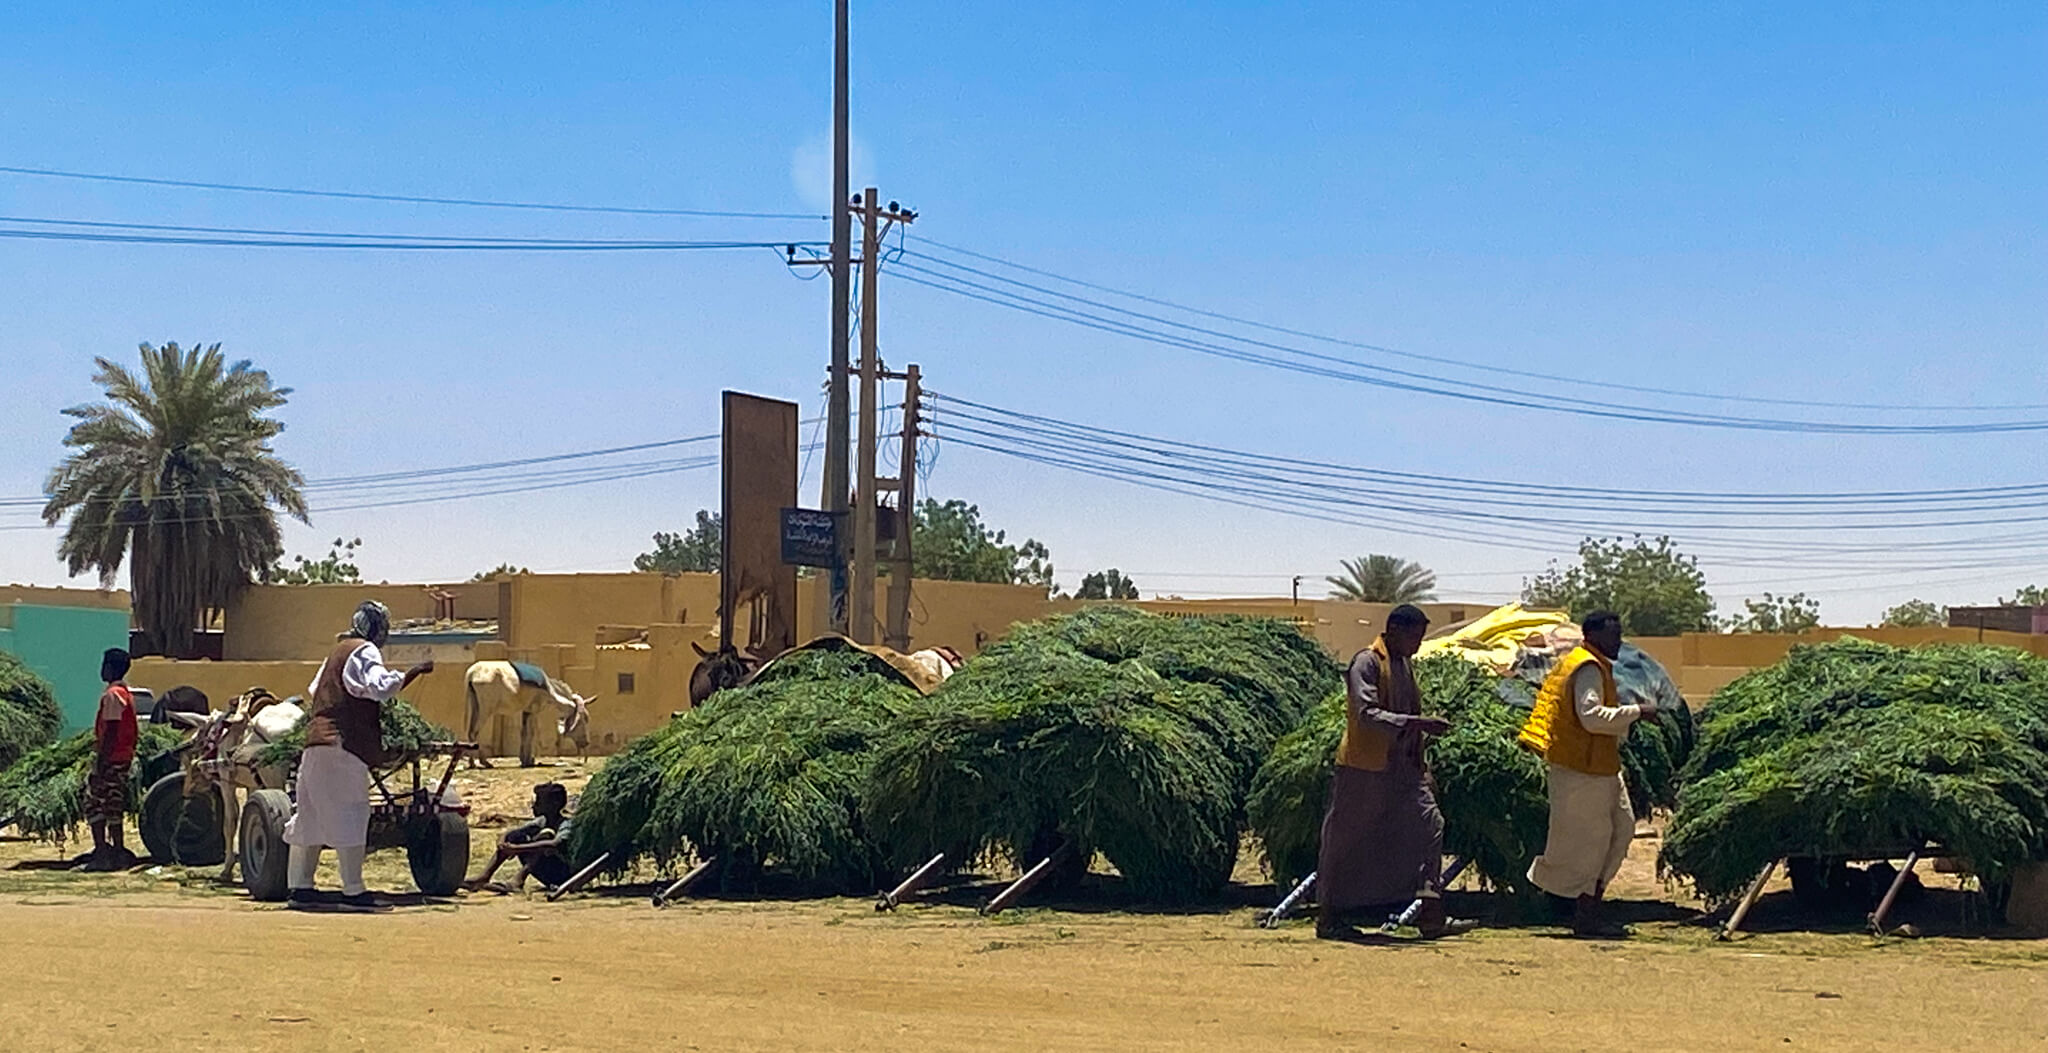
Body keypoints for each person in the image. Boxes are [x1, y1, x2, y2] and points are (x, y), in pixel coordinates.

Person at [1315, 604, 1470, 940]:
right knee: (1345, 841)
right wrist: (1419, 723)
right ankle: (1329, 916)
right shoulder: (1367, 662)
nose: (1417, 644)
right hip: (1364, 768)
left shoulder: (1404, 664)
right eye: (1414, 637)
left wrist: (1421, 762)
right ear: (1395, 630)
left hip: (1405, 769)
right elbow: (1366, 713)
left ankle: (1430, 912)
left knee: (1430, 825)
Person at [285, 601, 433, 911]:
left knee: (310, 816)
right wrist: (413, 672)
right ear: (377, 628)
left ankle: (301, 887)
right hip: (342, 746)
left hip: (314, 745)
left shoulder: (335, 652)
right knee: (351, 811)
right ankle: (354, 891)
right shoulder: (364, 650)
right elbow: (379, 687)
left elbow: (315, 690)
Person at [1518, 610, 1658, 938]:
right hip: (1580, 770)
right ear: (1592, 636)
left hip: (1600, 767)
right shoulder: (1587, 667)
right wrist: (1638, 712)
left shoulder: (1593, 664)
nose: (1618, 641)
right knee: (1589, 843)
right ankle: (1583, 910)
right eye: (1613, 635)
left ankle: (1588, 901)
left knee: (1621, 830)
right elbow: (1592, 718)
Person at [78, 648, 139, 872]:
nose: (101, 669)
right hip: (122, 756)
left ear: (111, 668)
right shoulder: (125, 693)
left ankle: (102, 854)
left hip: (113, 757)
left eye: (104, 665)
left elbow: (112, 730)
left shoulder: (113, 695)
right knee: (113, 804)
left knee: (93, 802)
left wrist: (101, 760)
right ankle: (118, 853)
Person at [464, 783, 575, 893]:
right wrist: (503, 842)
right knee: (515, 837)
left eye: (539, 802)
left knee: (546, 836)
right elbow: (512, 832)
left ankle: (518, 880)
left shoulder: (565, 824)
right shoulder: (541, 821)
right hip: (544, 870)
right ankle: (484, 876)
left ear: (554, 804)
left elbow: (555, 844)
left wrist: (517, 848)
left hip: (560, 874)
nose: (534, 806)